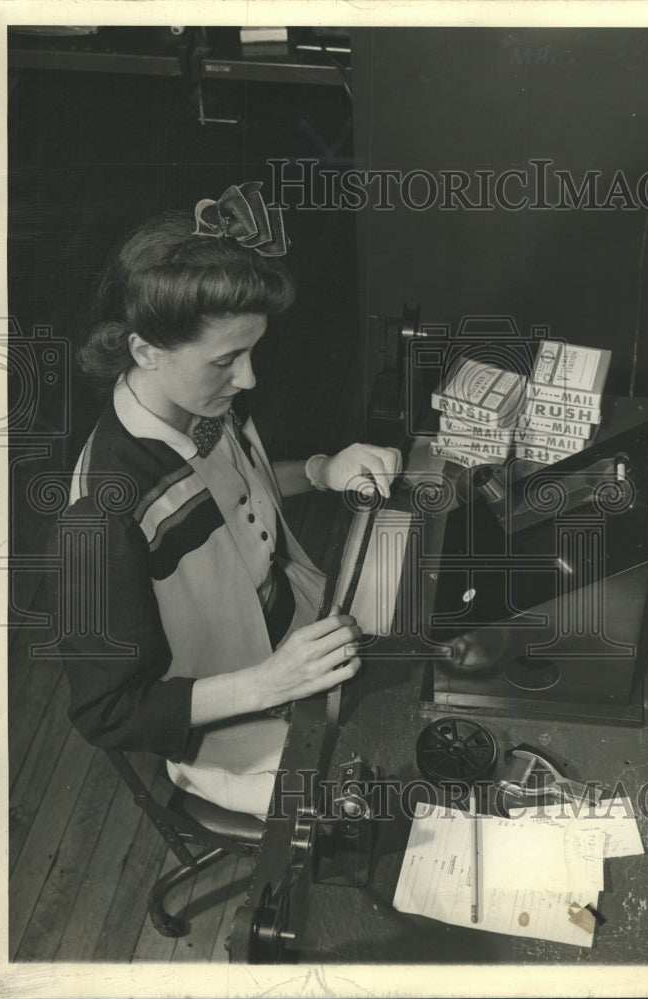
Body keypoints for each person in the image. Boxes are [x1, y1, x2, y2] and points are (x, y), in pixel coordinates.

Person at [54, 182, 401, 816]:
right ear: (145, 351)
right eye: (228, 360)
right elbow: (105, 712)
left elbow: (236, 494)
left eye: (251, 352)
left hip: (302, 624)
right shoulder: (100, 514)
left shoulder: (202, 401)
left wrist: (324, 470)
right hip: (240, 728)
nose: (248, 378)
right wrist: (271, 682)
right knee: (393, 799)